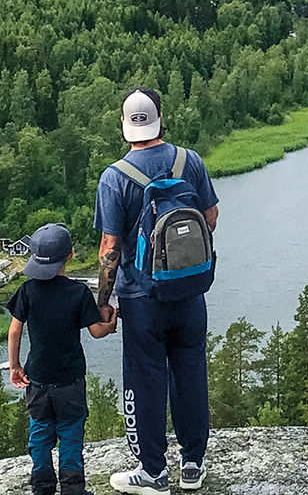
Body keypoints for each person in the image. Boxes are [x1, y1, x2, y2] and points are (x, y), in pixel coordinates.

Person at [95, 88, 218, 495]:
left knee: (145, 379)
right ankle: (193, 465)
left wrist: (103, 303)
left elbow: (110, 248)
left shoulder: (115, 177)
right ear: (161, 117)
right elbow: (211, 218)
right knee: (191, 372)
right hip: (189, 290)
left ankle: (152, 472)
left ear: (124, 125)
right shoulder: (190, 161)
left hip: (141, 297)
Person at [7, 223, 118, 495]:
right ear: (69, 256)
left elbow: (14, 329)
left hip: (37, 378)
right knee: (70, 434)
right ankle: (72, 489)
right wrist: (111, 323)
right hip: (69, 380)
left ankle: (42, 488)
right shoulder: (78, 293)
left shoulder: (27, 290)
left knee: (40, 434)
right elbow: (96, 332)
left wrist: (15, 366)